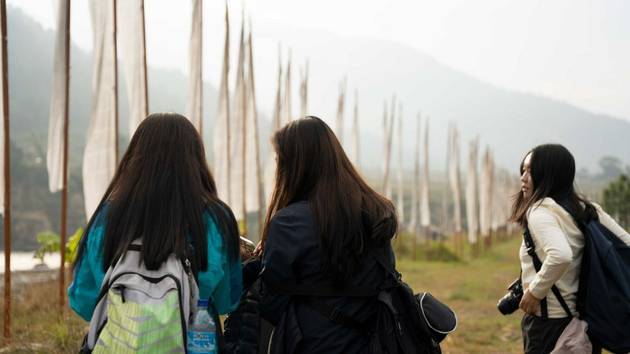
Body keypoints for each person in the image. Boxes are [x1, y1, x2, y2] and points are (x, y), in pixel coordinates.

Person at [68, 112, 242, 322]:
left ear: (135, 157)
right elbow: (227, 301)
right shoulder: (216, 218)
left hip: (120, 343)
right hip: (196, 344)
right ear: (195, 159)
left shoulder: (107, 216)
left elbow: (83, 302)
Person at [257, 116, 398, 354]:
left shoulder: (289, 223)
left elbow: (270, 302)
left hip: (310, 344)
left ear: (294, 165)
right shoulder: (377, 210)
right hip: (374, 343)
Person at [510, 144, 630, 354]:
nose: (523, 177)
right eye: (523, 169)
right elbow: (626, 244)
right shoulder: (586, 208)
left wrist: (535, 292)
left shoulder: (540, 211)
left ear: (550, 174)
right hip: (586, 324)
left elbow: (561, 255)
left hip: (550, 326)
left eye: (531, 170)